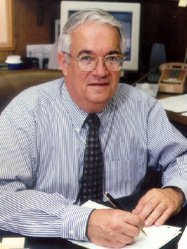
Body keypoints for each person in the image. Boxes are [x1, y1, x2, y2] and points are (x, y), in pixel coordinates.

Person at [0, 8, 187, 248]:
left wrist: (175, 191)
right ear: (64, 62)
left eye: (111, 57)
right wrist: (84, 222)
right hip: (50, 237)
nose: (101, 71)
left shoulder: (142, 107)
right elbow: (3, 197)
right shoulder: (27, 111)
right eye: (86, 58)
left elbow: (182, 156)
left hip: (128, 237)